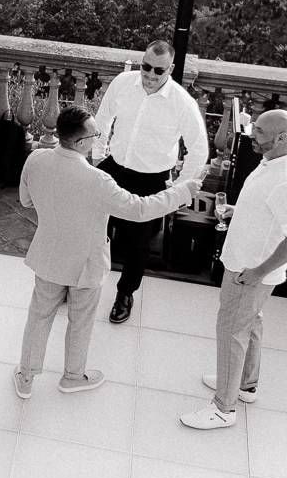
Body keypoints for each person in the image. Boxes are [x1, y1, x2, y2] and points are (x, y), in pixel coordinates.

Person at [14, 106, 201, 397]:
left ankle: (26, 378)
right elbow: (140, 209)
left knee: (38, 317)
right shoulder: (98, 181)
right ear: (80, 142)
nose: (99, 138)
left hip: (48, 254)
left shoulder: (36, 158)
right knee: (81, 321)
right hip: (86, 264)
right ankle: (73, 376)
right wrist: (182, 191)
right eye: (96, 135)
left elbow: (26, 201)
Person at [182, 109, 287, 430]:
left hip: (249, 269)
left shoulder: (286, 180)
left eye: (260, 132)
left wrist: (256, 272)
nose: (252, 134)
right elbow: (269, 210)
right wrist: (237, 209)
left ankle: (223, 408)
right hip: (248, 263)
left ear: (282, 138)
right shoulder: (279, 160)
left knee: (231, 331)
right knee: (250, 323)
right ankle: (245, 385)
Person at [89, 39, 209, 325]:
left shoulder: (182, 102)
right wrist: (96, 160)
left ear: (171, 69)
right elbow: (101, 122)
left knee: (140, 244)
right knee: (90, 227)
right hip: (113, 169)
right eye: (146, 67)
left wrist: (180, 189)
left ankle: (125, 294)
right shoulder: (122, 82)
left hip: (151, 180)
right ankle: (78, 283)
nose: (150, 75)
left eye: (158, 70)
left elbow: (200, 149)